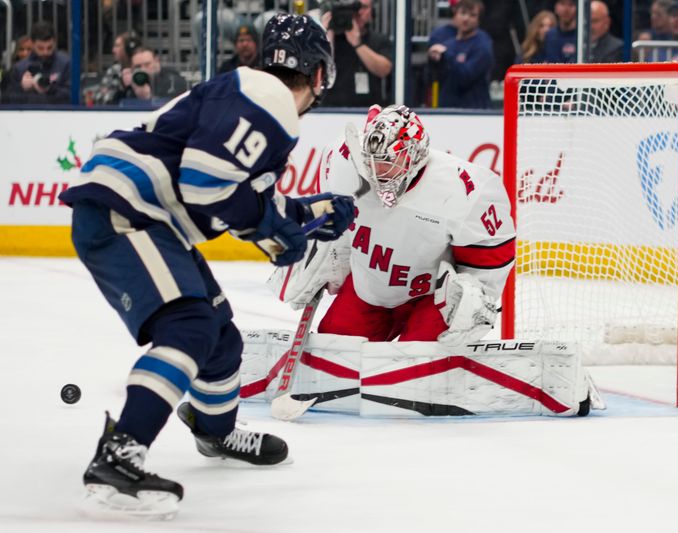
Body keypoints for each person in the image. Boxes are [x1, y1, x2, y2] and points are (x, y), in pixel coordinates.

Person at [57, 14, 353, 519]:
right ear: (321, 73)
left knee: (219, 338)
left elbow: (235, 200)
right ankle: (120, 452)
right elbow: (205, 184)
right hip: (128, 213)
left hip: (147, 216)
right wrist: (275, 228)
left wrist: (306, 215)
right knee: (189, 326)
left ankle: (214, 432)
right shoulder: (272, 102)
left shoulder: (253, 93)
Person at [282, 104, 515, 345]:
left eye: (387, 162)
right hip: (369, 288)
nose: (376, 170)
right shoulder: (345, 161)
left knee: (414, 367)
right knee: (334, 350)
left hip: (432, 298)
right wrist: (331, 250)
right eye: (371, 160)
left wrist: (476, 295)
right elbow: (336, 217)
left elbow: (490, 257)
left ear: (414, 154)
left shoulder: (463, 189)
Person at [320, 0, 393, 107]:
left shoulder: (379, 39)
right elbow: (320, 70)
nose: (358, 12)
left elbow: (385, 69)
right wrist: (326, 34)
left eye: (363, 7)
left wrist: (358, 44)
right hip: (332, 110)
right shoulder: (331, 39)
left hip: (369, 111)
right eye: (352, 8)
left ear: (372, 11)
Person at [427, 0, 494, 109]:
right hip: (446, 109)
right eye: (463, 13)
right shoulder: (448, 44)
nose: (466, 18)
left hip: (475, 111)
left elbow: (464, 78)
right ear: (455, 14)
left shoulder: (483, 45)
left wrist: (446, 55)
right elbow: (432, 78)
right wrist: (433, 60)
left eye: (472, 15)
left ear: (479, 20)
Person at [4, 22, 70, 105]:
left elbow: (73, 95)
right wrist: (21, 87)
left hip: (60, 115)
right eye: (40, 48)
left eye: (49, 47)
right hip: (28, 115)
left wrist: (50, 89)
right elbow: (8, 101)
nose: (45, 52)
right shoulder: (19, 68)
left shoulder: (66, 63)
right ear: (32, 43)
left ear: (54, 42)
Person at [123, 46, 188, 106]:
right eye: (138, 66)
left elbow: (169, 109)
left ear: (156, 61)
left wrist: (148, 97)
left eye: (147, 64)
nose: (143, 69)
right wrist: (124, 86)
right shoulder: (134, 80)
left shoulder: (173, 80)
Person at [94, 31, 141, 106]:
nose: (113, 50)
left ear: (128, 49)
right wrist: (121, 89)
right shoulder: (114, 70)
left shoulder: (143, 69)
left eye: (117, 46)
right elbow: (99, 98)